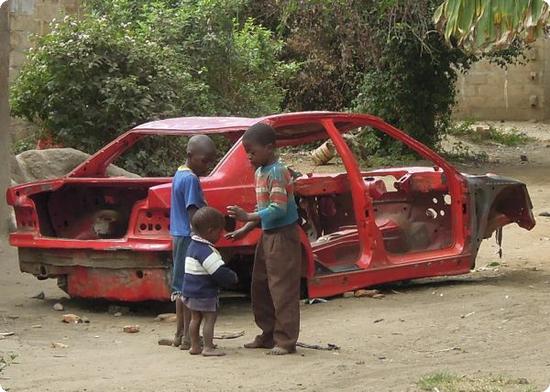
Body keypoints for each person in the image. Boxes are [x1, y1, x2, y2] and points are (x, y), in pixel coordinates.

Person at [227, 122, 301, 355]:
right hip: (267, 235)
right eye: (246, 151)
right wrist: (245, 229)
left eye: (253, 151)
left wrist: (247, 215)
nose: (249, 156)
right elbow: (264, 208)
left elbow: (278, 209)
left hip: (283, 236)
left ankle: (286, 340)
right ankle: (267, 334)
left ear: (269, 148)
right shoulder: (260, 171)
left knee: (283, 290)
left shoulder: (278, 172)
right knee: (260, 286)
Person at [168, 135, 217, 350]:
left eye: (210, 162)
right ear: (190, 156)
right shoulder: (191, 179)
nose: (207, 166)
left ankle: (181, 335)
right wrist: (203, 236)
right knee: (188, 289)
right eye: (204, 161)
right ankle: (188, 337)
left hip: (178, 235)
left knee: (180, 287)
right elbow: (193, 212)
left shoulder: (179, 173)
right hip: (188, 236)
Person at [182, 206, 238, 356]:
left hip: (190, 291)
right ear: (210, 231)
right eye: (219, 231)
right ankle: (208, 347)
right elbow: (217, 272)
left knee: (195, 318)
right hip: (204, 292)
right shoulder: (206, 251)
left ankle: (194, 346)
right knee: (209, 318)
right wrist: (232, 277)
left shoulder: (192, 247)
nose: (220, 235)